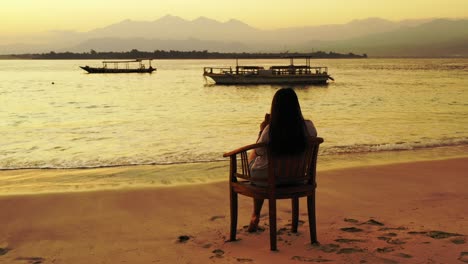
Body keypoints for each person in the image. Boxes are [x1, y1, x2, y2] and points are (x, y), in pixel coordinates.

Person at [247, 88, 317, 232]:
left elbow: (259, 151)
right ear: (297, 106)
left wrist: (262, 129)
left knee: (254, 156)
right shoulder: (309, 126)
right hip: (298, 179)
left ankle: (255, 214)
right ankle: (293, 224)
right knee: (262, 161)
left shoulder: (270, 129)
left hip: (268, 179)